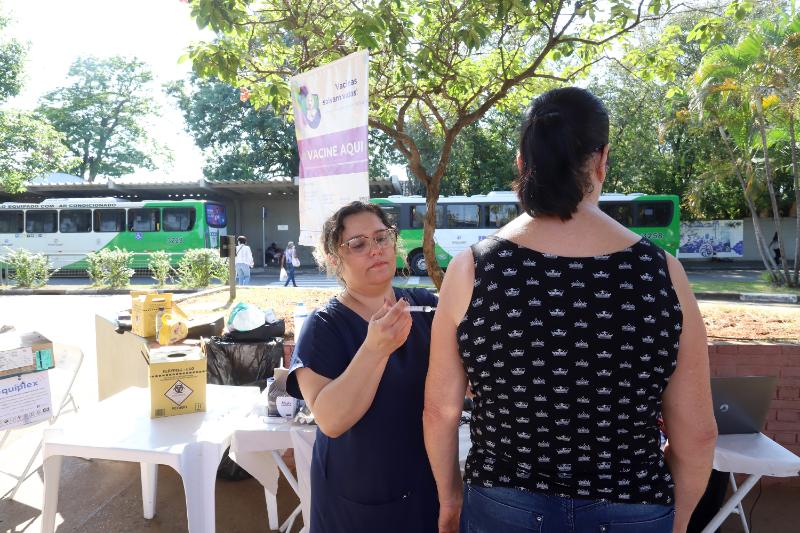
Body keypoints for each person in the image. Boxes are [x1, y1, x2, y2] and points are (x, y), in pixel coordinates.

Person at [424, 87, 718, 533]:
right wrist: (677, 522)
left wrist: (449, 501)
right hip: (632, 504)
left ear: (522, 165)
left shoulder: (473, 269)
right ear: (601, 160)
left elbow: (441, 411)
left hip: (503, 503)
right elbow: (697, 433)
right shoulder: (663, 273)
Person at [286, 201, 439, 533]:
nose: (375, 250)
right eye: (358, 244)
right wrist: (374, 350)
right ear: (334, 259)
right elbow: (331, 420)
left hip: (421, 487)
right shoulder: (324, 326)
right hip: (355, 499)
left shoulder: (425, 307)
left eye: (381, 237)